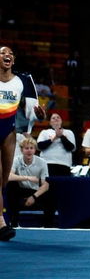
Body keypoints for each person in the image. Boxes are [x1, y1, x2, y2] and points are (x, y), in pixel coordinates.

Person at [0, 46, 45, 241]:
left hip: (9, 134)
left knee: (3, 181)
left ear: (14, 60)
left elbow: (31, 110)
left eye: (10, 53)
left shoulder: (24, 80)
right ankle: (1, 222)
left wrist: (38, 114)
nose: (6, 55)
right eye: (2, 53)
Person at [6, 136, 54, 228]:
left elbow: (46, 185)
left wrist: (34, 197)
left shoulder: (42, 162)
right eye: (26, 148)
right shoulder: (16, 160)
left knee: (50, 194)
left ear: (35, 150)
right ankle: (14, 222)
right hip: (21, 189)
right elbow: (9, 176)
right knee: (11, 186)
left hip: (36, 191)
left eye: (31, 148)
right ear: (21, 150)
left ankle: (48, 226)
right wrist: (28, 178)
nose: (29, 151)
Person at [37, 112, 76, 176]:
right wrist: (54, 138)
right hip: (47, 163)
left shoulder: (69, 132)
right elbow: (40, 146)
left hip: (64, 164)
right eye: (53, 118)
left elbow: (71, 148)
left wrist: (61, 136)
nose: (56, 119)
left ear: (61, 121)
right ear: (50, 122)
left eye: (58, 117)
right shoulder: (45, 132)